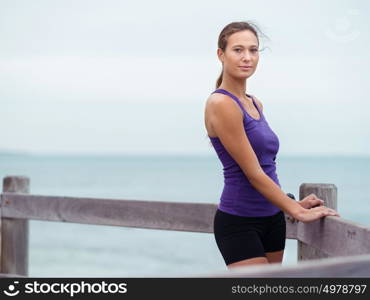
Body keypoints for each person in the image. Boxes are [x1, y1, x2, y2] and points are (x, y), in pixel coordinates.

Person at [203, 21, 340, 269]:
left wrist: (291, 205)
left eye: (253, 50)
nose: (247, 58)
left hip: (273, 219)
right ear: (220, 54)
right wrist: (297, 212)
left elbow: (266, 167)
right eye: (238, 50)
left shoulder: (255, 103)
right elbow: (253, 173)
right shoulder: (221, 104)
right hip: (239, 223)